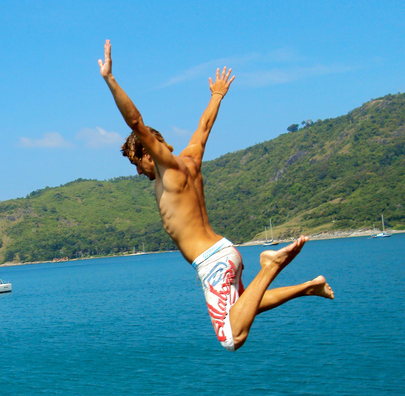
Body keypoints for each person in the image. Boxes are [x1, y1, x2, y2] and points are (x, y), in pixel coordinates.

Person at [98, 40, 334, 351]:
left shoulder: (168, 167)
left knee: (230, 337)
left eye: (136, 163)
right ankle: (308, 287)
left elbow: (135, 121)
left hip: (213, 263)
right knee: (245, 305)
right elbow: (204, 126)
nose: (139, 172)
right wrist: (217, 96)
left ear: (146, 151)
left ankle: (271, 265)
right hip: (224, 251)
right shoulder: (191, 159)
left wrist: (110, 79)